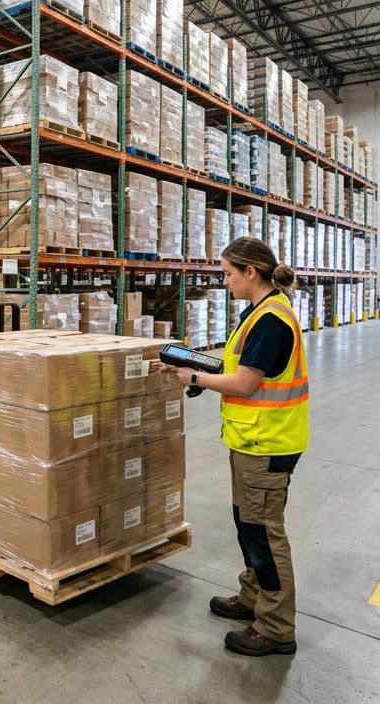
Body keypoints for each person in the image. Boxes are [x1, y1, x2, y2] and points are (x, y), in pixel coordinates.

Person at [158, 236, 309, 657]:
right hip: (250, 439)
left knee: (263, 533)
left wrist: (193, 379)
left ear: (250, 272)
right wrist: (190, 363)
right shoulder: (259, 311)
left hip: (267, 443)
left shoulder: (271, 320)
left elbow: (244, 382)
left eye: (227, 274)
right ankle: (253, 597)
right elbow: (236, 365)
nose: (224, 282)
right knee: (248, 524)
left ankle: (277, 627)